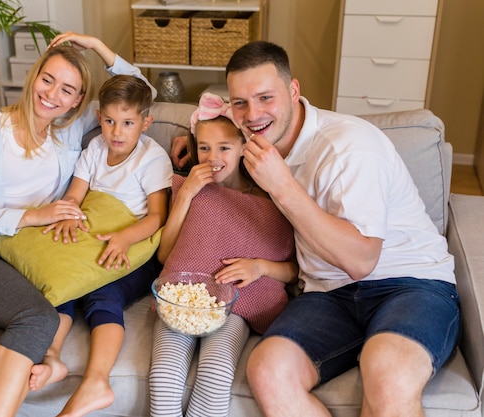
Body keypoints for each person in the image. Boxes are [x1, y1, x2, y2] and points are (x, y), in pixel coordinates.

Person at [219, 41, 458, 417]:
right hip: (328, 293)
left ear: (294, 91)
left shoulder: (348, 146)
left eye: (266, 97)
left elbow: (362, 261)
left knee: (388, 372)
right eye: (240, 103)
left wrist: (282, 185)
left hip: (410, 281)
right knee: (268, 370)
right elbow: (211, 112)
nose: (253, 114)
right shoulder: (256, 140)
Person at [0, 31, 157, 417]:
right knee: (38, 318)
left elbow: (140, 91)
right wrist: (34, 216)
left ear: (78, 101)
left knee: (7, 353)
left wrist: (96, 46)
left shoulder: (68, 130)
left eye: (68, 90)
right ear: (34, 75)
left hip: (35, 255)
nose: (52, 95)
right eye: (48, 79)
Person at [31, 73, 173, 417]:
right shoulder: (95, 149)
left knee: (102, 294)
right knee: (64, 283)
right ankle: (51, 356)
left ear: (145, 123)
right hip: (94, 239)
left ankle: (97, 381)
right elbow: (76, 194)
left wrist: (125, 237)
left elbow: (158, 217)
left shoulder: (151, 159)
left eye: (127, 123)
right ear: (100, 119)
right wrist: (67, 214)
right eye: (109, 121)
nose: (116, 132)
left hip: (135, 250)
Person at [149, 93, 297, 417]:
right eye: (204, 147)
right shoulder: (187, 187)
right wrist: (187, 192)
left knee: (216, 374)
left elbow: (296, 271)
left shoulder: (272, 198)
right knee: (163, 376)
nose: (212, 157)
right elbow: (163, 256)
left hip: (235, 311)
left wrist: (260, 267)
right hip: (180, 305)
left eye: (223, 148)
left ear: (245, 146)